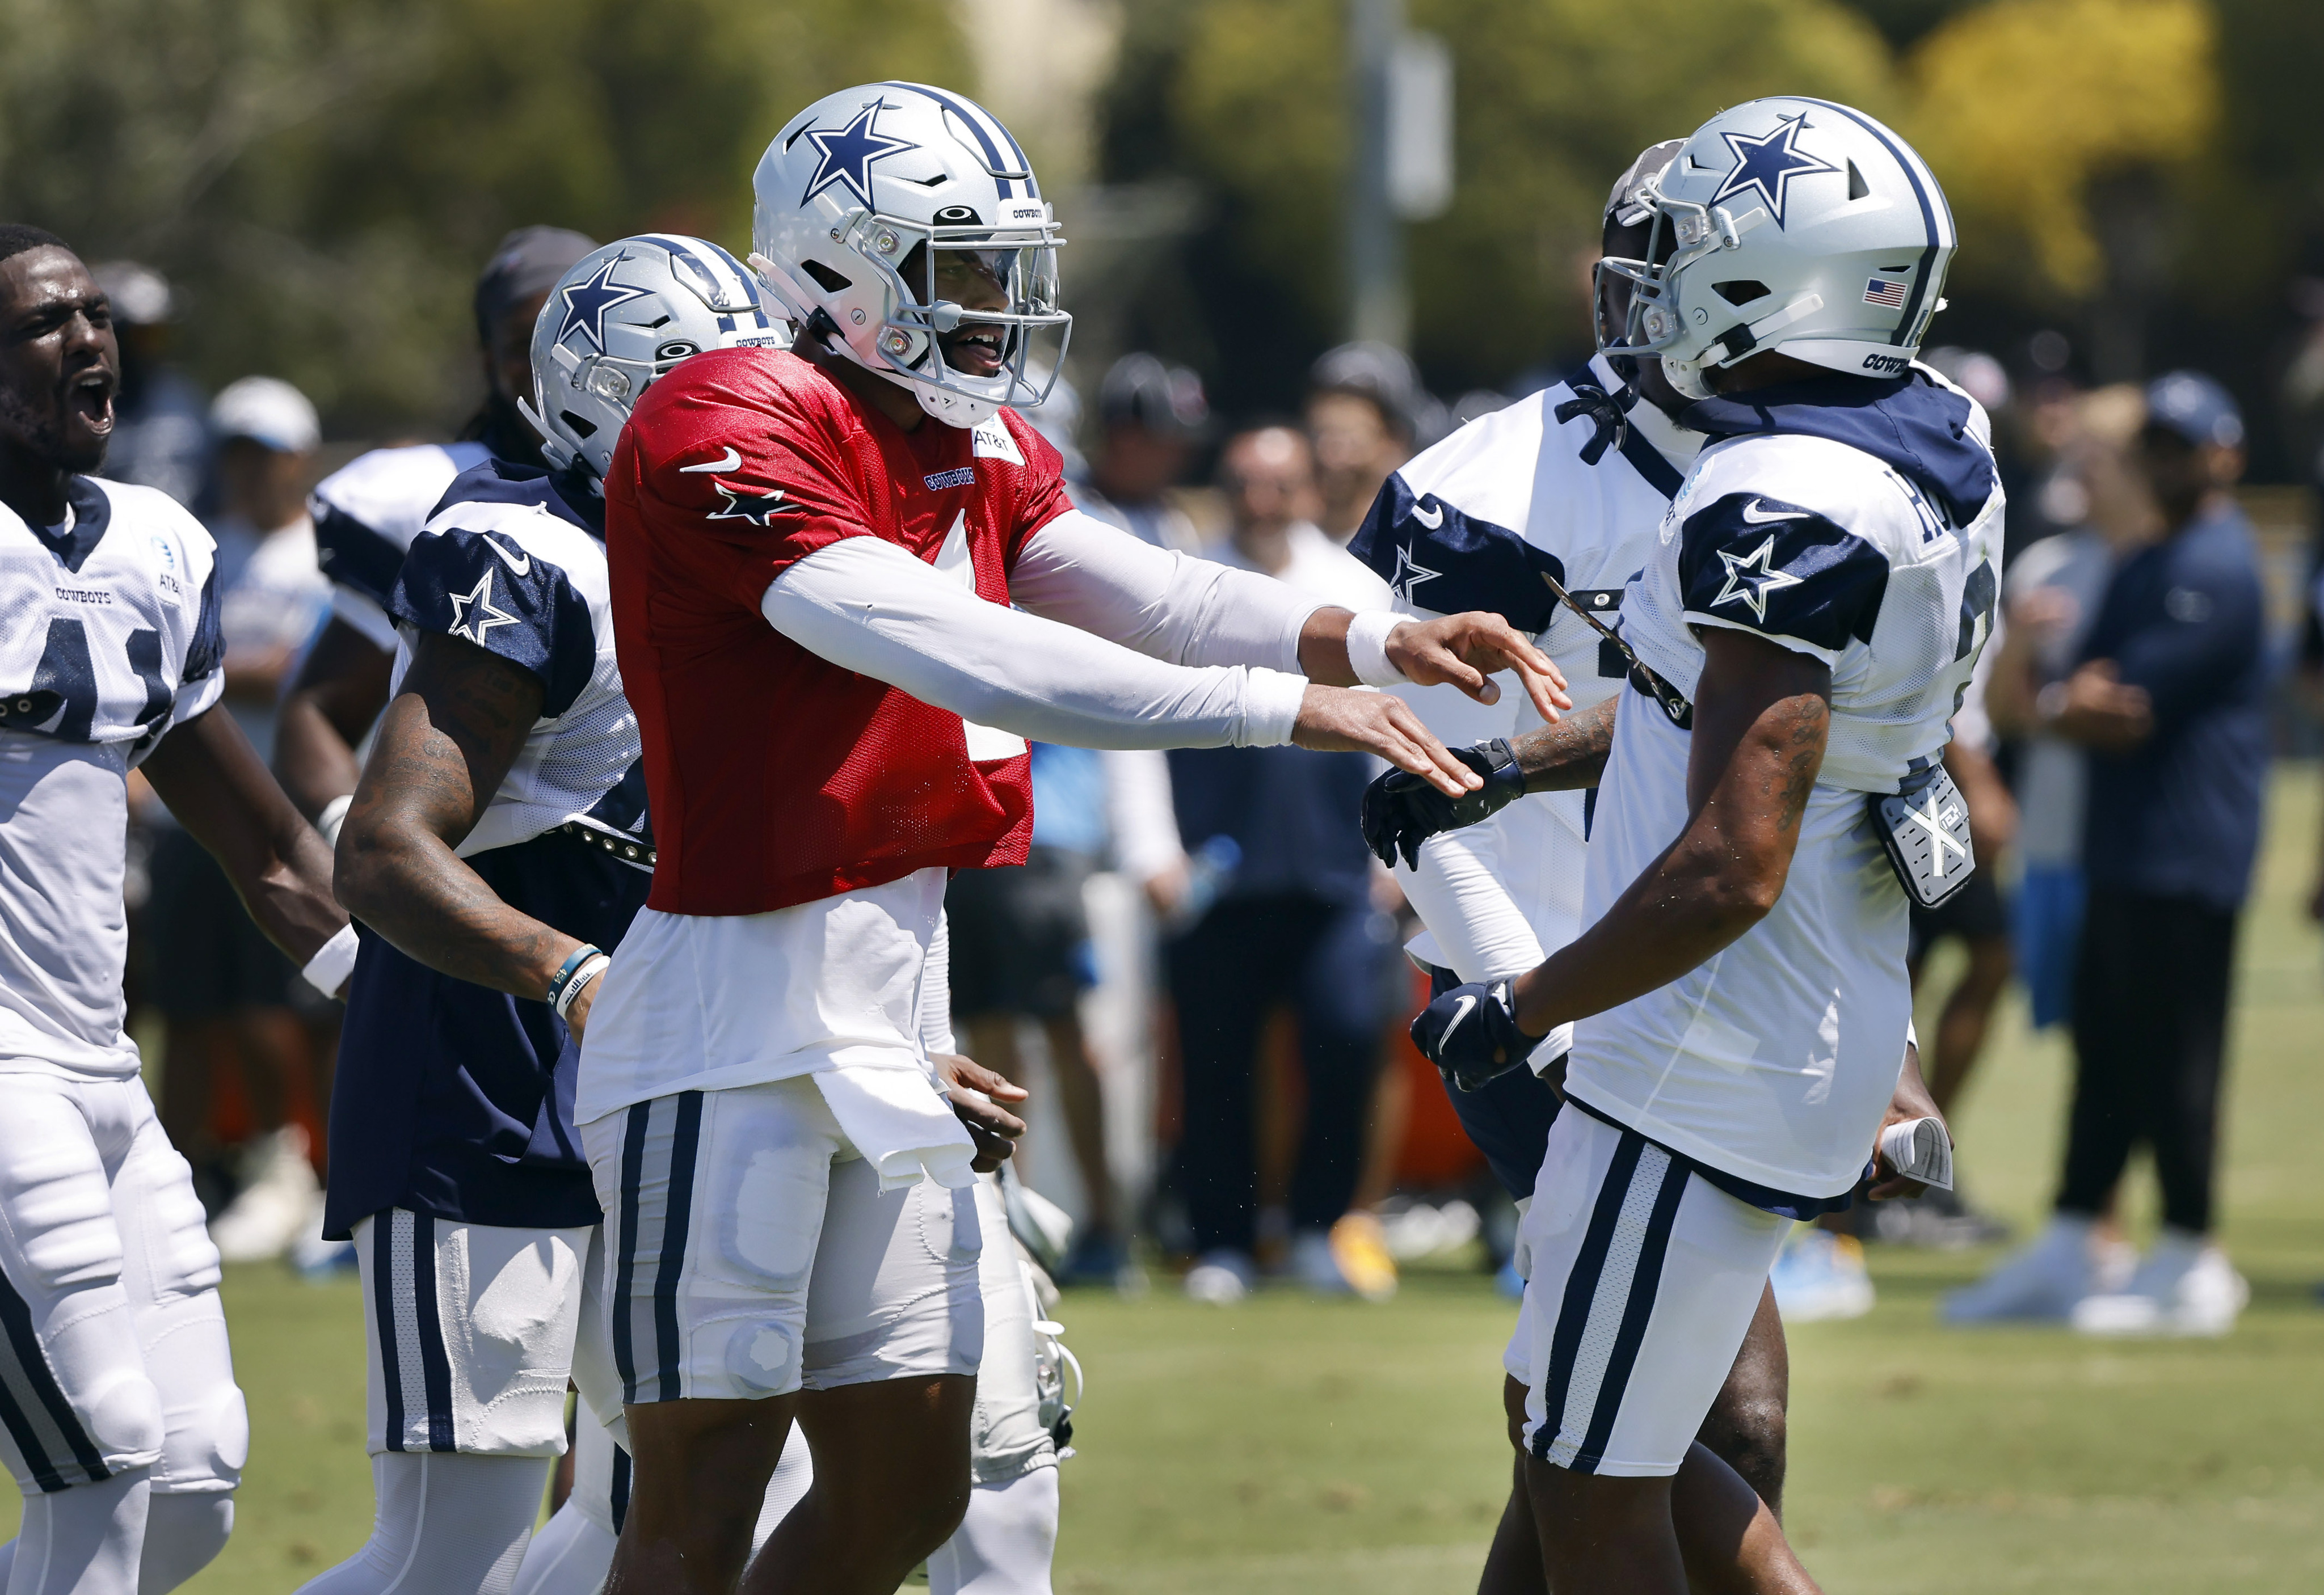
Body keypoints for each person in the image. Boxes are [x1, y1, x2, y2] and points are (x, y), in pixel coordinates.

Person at [580, 82, 1562, 1595]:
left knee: (914, 1472)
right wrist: (1280, 712)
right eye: (962, 269)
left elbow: (1147, 589)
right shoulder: (724, 415)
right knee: (699, 1490)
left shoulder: (964, 435)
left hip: (893, 985)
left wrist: (1377, 637)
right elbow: (962, 651)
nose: (999, 309)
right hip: (722, 1012)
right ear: (840, 270)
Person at [1400, 98, 1991, 1592]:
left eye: (1695, 259)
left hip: (1683, 1033)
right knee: (1579, 1422)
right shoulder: (1942, 441)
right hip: (1799, 1014)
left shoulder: (1772, 490)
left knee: (1600, 1475)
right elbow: (1732, 717)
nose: (1652, 292)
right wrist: (1509, 770)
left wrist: (1529, 1005)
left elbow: (1734, 847)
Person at [292, 235, 790, 1595]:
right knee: (453, 1542)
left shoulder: (720, 550)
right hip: (485, 1063)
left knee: (717, 1490)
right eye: (716, 389)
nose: (757, 422)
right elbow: (387, 850)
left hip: (663, 1064)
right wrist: (573, 973)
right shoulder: (516, 548)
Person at [1351, 139, 1801, 1532]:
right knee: (1721, 1405)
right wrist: (1523, 999)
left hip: (1726, 982)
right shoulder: (1490, 486)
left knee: (1611, 1396)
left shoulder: (1829, 467)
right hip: (1549, 981)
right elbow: (1402, 778)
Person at [0, 224, 354, 1595]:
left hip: (99, 1067)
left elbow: (264, 849)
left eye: (96, 313)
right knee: (102, 1450)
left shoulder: (155, 546)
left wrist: (401, 995)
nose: (89, 338)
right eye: (45, 322)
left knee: (194, 1479)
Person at [1947, 372, 2266, 1337]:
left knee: (2177, 1057)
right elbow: (2080, 699)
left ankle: (2190, 1253)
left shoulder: (2217, 564)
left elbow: (2120, 710)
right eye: (2155, 447)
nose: (2166, 464)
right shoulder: (2148, 560)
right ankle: (2076, 1234)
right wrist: (2065, 703)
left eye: (2186, 447)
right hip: (2122, 848)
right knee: (2109, 1052)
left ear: (2225, 458)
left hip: (2188, 847)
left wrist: (2063, 706)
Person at [1159, 424, 1403, 1304]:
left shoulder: (1348, 585)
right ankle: (1221, 1238)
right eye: (1246, 482)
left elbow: (1393, 712)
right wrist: (1156, 851)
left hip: (1338, 868)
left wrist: (1396, 847)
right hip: (1214, 869)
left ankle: (1314, 1229)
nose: (1264, 501)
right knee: (1214, 1059)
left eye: (1282, 484)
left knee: (1344, 1039)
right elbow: (1134, 728)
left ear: (1308, 490)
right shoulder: (1184, 580)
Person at [273, 226, 599, 847]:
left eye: (570, 339)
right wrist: (359, 849)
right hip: (487, 882)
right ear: (486, 359)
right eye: (520, 344)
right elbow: (316, 713)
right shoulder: (436, 500)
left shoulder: (678, 482)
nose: (548, 366)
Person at [149, 375, 336, 1265]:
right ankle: (178, 1179)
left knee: (277, 1007)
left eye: (264, 456)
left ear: (299, 459)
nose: (249, 472)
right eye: (235, 454)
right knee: (187, 1005)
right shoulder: (200, 546)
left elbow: (314, 671)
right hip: (193, 816)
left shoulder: (326, 553)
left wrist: (229, 671)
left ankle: (294, 1171)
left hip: (290, 814)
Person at [944, 741, 1130, 1283]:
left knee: (1062, 1033)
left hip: (1043, 835)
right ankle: (1006, 1222)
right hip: (970, 832)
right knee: (988, 1038)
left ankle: (1105, 1228)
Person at [89, 260, 209, 509]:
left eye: (157, 335)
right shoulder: (85, 409)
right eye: (142, 337)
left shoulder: (184, 401)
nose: (151, 349)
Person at [1073, 352, 1209, 554]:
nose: (1183, 458)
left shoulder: (1172, 522)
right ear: (1126, 436)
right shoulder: (1067, 512)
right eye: (1171, 443)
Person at [1306, 340, 1433, 544]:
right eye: (1320, 434)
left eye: (1350, 440)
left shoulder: (1414, 552)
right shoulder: (1271, 539)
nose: (1331, 458)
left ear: (1394, 442)